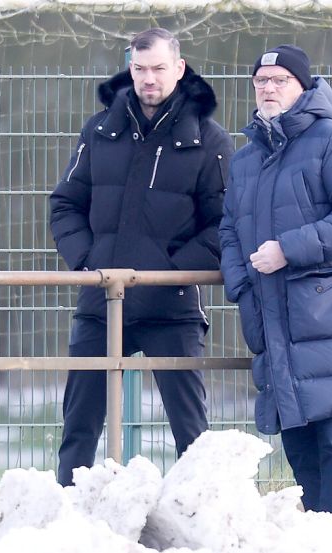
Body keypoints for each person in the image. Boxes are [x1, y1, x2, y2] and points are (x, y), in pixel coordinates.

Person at [218, 44, 332, 517]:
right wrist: (241, 284)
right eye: (261, 81)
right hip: (272, 318)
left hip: (331, 315)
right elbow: (229, 228)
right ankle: (315, 535)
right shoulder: (246, 158)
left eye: (279, 80)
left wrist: (286, 250)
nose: (268, 88)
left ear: (303, 86)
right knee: (297, 441)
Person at [49, 28, 233, 486]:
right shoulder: (99, 130)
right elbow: (65, 203)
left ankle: (202, 517)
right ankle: (67, 518)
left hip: (172, 306)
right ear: (130, 67)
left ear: (179, 68)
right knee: (78, 429)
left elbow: (225, 223)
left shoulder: (209, 141)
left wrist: (170, 274)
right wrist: (88, 264)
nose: (148, 79)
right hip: (101, 302)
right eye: (139, 68)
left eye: (158, 69)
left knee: (192, 434)